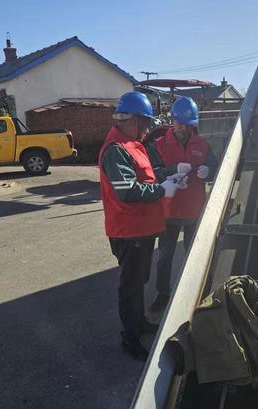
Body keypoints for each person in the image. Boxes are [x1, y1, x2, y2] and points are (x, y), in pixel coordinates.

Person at [99, 91, 187, 361]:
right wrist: (161, 190)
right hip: (129, 231)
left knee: (139, 282)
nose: (148, 129)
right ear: (134, 120)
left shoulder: (131, 144)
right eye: (146, 123)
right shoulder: (116, 149)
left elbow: (146, 176)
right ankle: (130, 336)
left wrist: (170, 176)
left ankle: (139, 323)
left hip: (141, 229)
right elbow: (127, 190)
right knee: (131, 286)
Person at [147, 96, 218, 312]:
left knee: (194, 255)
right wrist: (172, 171)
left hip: (194, 211)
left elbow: (216, 168)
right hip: (169, 211)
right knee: (165, 256)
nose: (184, 129)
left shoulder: (202, 145)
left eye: (188, 125)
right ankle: (163, 294)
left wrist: (209, 171)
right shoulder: (159, 145)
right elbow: (152, 173)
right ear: (173, 121)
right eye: (180, 123)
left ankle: (197, 294)